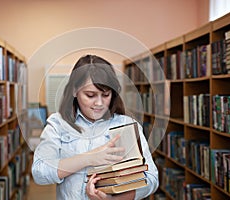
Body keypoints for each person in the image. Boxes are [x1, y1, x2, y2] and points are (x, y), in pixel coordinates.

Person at [32, 54, 159, 200]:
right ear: (75, 91)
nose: (99, 103)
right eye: (90, 95)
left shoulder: (126, 125)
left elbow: (151, 178)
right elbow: (40, 172)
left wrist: (113, 199)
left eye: (105, 95)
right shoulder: (58, 124)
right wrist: (89, 158)